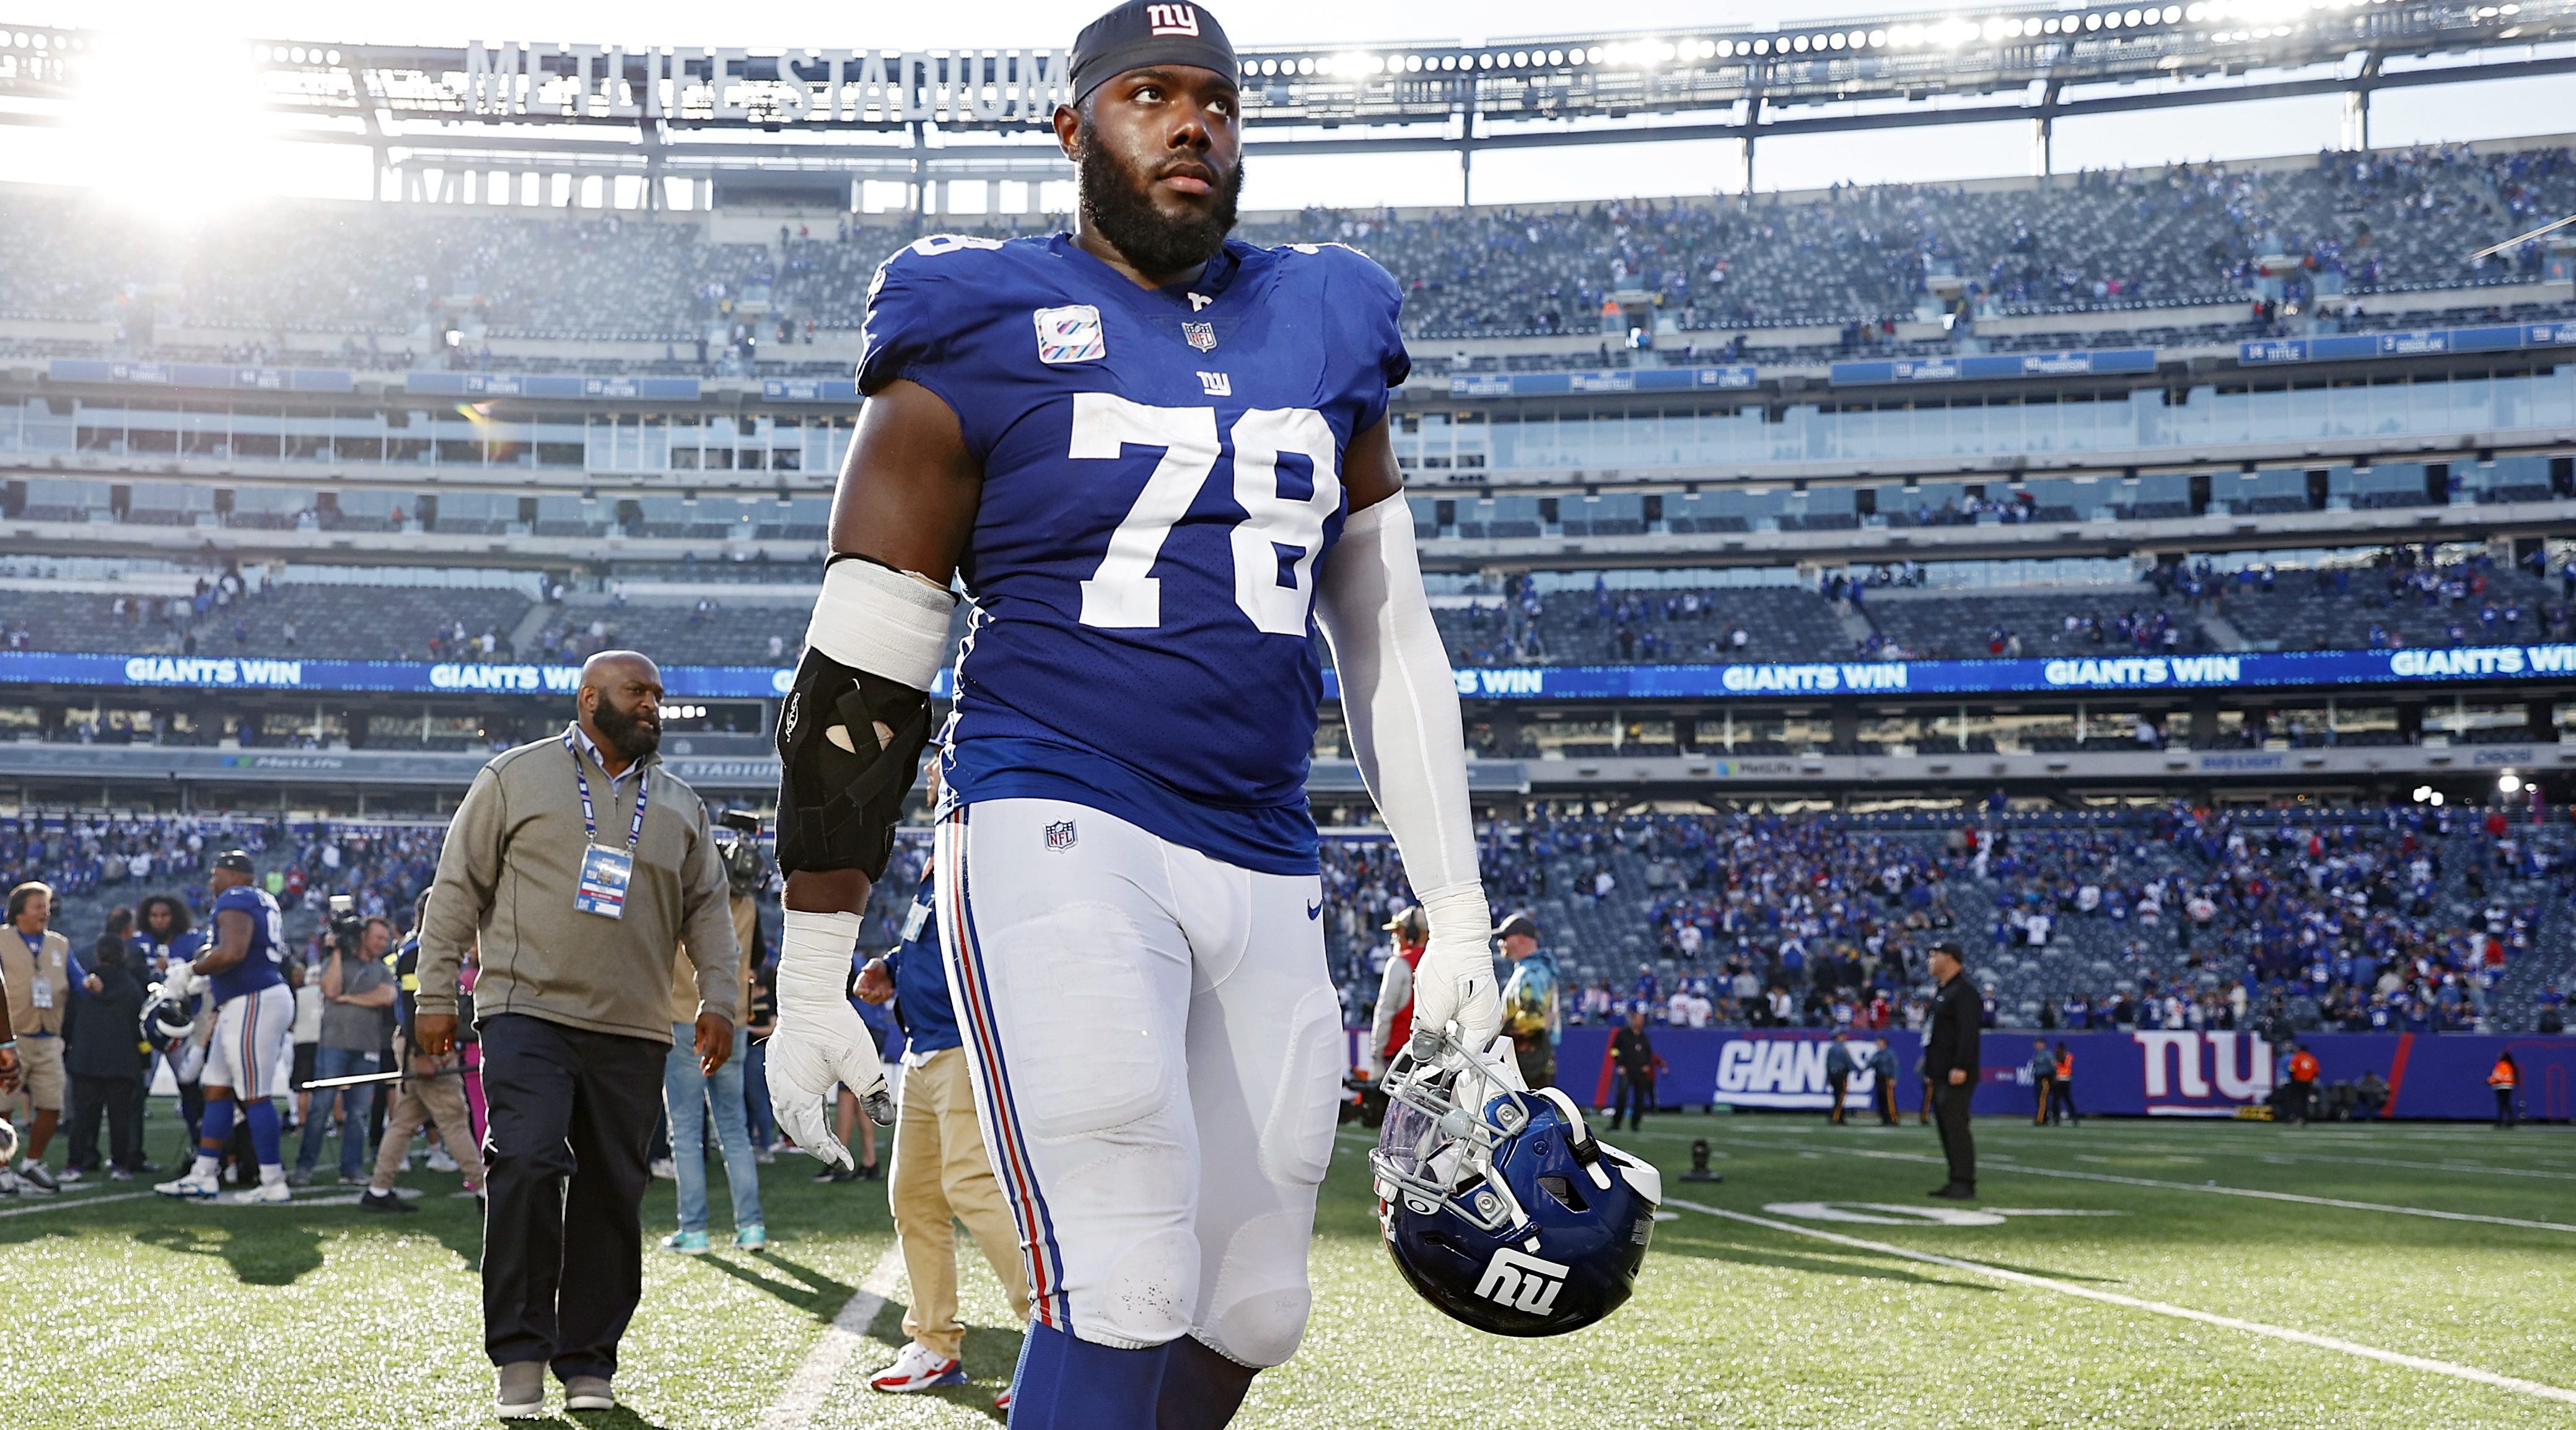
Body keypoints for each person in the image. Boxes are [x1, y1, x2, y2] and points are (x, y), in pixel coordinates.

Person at [760, 4, 1499, 1422]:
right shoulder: (973, 311)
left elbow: (1388, 626)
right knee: (1125, 1268)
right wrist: (811, 970)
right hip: (1056, 810)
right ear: (1073, 128)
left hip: (1266, 842)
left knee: (1252, 1302)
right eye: (1148, 95)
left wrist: (1455, 907)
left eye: (1214, 100)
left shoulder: (1329, 310)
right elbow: (866, 663)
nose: (1190, 123)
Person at [415, 651, 741, 1419]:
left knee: (611, 1192)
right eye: (639, 692)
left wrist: (720, 1001)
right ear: (591, 697)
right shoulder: (513, 777)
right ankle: (521, 1357)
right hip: (526, 1012)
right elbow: (456, 887)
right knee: (525, 1162)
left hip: (633, 1026)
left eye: (659, 694)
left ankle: (589, 1359)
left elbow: (711, 919)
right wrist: (434, 993)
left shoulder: (682, 805)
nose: (653, 705)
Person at [854, 810, 1030, 1412]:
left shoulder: (991, 843)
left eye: (940, 765)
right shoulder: (943, 851)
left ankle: (1051, 1340)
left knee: (974, 1186)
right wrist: (891, 967)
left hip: (968, 1043)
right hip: (925, 1044)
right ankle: (934, 1343)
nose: (932, 772)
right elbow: (930, 943)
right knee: (913, 1197)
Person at [152, 851, 294, 1205]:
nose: (212, 882)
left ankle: (273, 1180)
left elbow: (232, 952)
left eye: (216, 874)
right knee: (215, 1088)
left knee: (255, 1094)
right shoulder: (261, 899)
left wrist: (191, 972)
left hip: (253, 999)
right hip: (246, 1000)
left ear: (233, 874)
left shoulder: (237, 897)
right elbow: (225, 950)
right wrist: (201, 966)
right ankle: (204, 1174)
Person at [361, 894, 485, 1215]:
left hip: (421, 1044)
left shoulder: (418, 949)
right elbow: (414, 1005)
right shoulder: (421, 951)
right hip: (426, 1044)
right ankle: (485, 1190)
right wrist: (424, 1053)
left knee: (405, 1121)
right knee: (454, 1118)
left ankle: (378, 1188)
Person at [657, 927, 764, 1253]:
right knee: (734, 1130)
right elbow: (755, 960)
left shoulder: (683, 883)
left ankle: (694, 1230)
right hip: (734, 1019)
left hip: (685, 1016)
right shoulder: (747, 902)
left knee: (687, 1131)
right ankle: (752, 1226)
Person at [294, 916, 396, 1186]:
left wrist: (350, 999)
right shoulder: (337, 962)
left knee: (358, 1113)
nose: (383, 944)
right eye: (378, 938)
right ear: (364, 937)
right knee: (321, 1107)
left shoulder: (382, 970)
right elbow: (330, 989)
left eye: (385, 939)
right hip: (335, 1044)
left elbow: (386, 996)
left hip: (368, 1046)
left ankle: (351, 1168)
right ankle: (305, 1167)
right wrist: (337, 951)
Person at [0, 882, 70, 1191]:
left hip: (49, 1035)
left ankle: (31, 1163)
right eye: (38, 905)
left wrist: (90, 984)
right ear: (19, 911)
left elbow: (76, 977)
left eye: (47, 905)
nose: (45, 911)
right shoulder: (2, 938)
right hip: (10, 1038)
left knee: (53, 1103)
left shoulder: (59, 944)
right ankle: (1, 1167)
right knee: (3, 1105)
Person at [63, 927, 146, 1179]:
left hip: (85, 1059)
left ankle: (77, 1163)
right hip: (122, 1062)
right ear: (123, 955)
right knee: (120, 1118)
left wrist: (68, 1048)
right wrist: (145, 1059)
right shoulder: (132, 988)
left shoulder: (84, 985)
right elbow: (139, 1029)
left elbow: (69, 1021)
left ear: (97, 955)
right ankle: (121, 1164)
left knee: (82, 1117)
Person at [1923, 942, 1981, 1200]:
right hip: (1940, 1072)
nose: (1930, 961)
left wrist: (1961, 1065)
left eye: (1934, 956)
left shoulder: (1964, 992)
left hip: (1956, 1073)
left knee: (1956, 1127)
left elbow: (1968, 1034)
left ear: (1950, 958)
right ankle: (1955, 1178)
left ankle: (1964, 1181)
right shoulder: (1943, 991)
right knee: (1946, 1127)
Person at [1498, 911, 1561, 1090]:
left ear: (1520, 938)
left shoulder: (1531, 972)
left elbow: (1533, 1021)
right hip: (1534, 1057)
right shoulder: (1538, 968)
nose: (1500, 943)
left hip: (1526, 1060)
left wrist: (1499, 1030)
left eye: (1504, 937)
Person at [1366, 905, 1427, 1075]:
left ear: (1413, 933)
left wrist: (1376, 1055)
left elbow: (1384, 1013)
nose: (1394, 938)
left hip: (1401, 1057)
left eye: (1398, 932)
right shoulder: (1443, 962)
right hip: (1434, 1058)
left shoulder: (1399, 963)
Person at [1606, 1008, 1663, 1132]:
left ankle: (1635, 1124)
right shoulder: (1623, 1034)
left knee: (1640, 1099)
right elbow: (1614, 1050)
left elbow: (1649, 1053)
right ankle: (1616, 1123)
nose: (1640, 1022)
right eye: (1638, 1019)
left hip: (1640, 1072)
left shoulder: (1643, 1037)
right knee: (1622, 1098)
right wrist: (1619, 1064)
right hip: (1626, 1069)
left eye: (1642, 1020)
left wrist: (1647, 1065)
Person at [2283, 1042, 2321, 1125]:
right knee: (2305, 1100)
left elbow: (2292, 1069)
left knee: (2296, 1099)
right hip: (2308, 1082)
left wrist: (2291, 1079)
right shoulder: (2312, 1059)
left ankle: (2296, 1116)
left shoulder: (2297, 1058)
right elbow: (2316, 1072)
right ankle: (2304, 1118)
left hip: (2298, 1081)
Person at [1868, 1039, 1901, 1126]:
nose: (1877, 1044)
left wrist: (1894, 1078)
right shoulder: (1877, 1054)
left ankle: (1893, 1118)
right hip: (1879, 1078)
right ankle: (1885, 1118)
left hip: (1887, 1078)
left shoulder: (1890, 1053)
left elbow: (1895, 1066)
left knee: (1889, 1099)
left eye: (1879, 1042)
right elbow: (1871, 1063)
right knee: (1881, 1099)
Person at [1824, 1033, 1855, 1126]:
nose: (1845, 1038)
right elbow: (1849, 1062)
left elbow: (1828, 1064)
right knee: (1841, 1096)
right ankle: (1836, 1117)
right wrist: (1859, 1070)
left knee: (1837, 1096)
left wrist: (1828, 1077)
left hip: (1833, 1075)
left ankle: (1838, 1116)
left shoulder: (1831, 1049)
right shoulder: (1843, 1049)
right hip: (1841, 1075)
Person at [2049, 1042, 2080, 1126]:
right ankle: (2057, 1118)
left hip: (2064, 1080)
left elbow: (2063, 1064)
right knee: (2056, 1101)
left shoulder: (2067, 1056)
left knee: (2067, 1100)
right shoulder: (2057, 1056)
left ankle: (2074, 1117)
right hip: (2059, 1080)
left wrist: (2056, 1063)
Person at [2028, 1038, 2057, 1126]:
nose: (2036, 1045)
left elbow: (2054, 1065)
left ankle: (2041, 1119)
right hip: (2038, 1078)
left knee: (2042, 1099)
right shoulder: (2037, 1054)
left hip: (2045, 1078)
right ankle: (2042, 1117)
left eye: (2038, 1044)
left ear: (2043, 1044)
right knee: (2039, 1099)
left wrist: (2052, 1076)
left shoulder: (2047, 1054)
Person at [2489, 1050, 2519, 1130]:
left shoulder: (2502, 1065)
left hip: (2501, 1087)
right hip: (2508, 1086)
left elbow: (2498, 1077)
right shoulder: (2510, 1065)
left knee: (2502, 1105)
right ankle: (2510, 1121)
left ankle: (2501, 1122)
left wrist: (2489, 1081)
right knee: (2507, 1104)